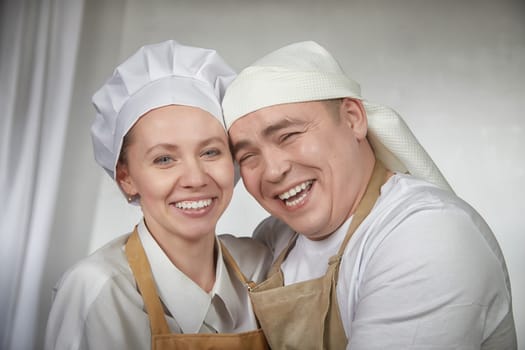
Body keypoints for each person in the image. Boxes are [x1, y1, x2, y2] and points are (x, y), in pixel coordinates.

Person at [221, 41, 517, 349]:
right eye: (247, 156)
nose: (272, 171)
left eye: (289, 135)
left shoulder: (426, 233)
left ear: (353, 118)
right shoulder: (275, 238)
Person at [44, 40, 271, 350]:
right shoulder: (98, 289)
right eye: (164, 159)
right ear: (126, 177)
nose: (195, 178)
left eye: (210, 151)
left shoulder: (260, 268)